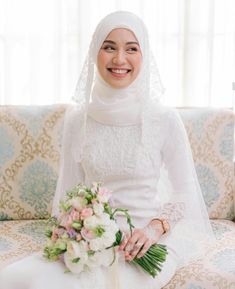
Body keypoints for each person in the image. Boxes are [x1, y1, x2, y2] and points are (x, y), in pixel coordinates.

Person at [0, 11, 214, 289]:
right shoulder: (79, 120)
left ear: (144, 55)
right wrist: (73, 234)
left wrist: (153, 229)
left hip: (143, 246)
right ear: (94, 52)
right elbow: (68, 191)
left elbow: (185, 192)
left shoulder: (164, 119)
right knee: (16, 279)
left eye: (131, 49)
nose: (119, 59)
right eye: (109, 47)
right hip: (88, 241)